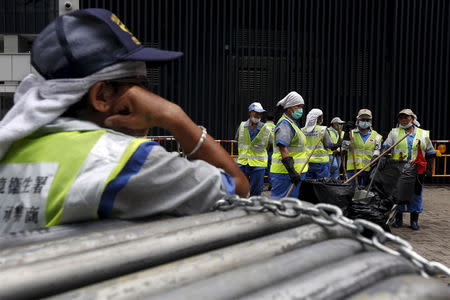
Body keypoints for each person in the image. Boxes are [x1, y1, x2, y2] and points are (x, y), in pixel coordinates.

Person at [0, 9, 249, 234]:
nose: (150, 97)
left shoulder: (12, 147)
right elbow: (237, 188)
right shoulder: (122, 160)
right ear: (101, 96)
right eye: (140, 86)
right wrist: (175, 117)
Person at [384, 109, 436, 230]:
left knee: (416, 194)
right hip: (399, 168)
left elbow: (431, 152)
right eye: (401, 118)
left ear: (412, 119)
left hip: (417, 170)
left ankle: (414, 220)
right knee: (398, 194)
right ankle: (398, 219)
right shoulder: (394, 133)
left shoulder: (423, 134)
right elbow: (386, 146)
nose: (403, 120)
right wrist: (383, 153)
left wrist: (429, 168)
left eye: (406, 117)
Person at [270, 91, 308, 198]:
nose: (300, 109)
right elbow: (283, 148)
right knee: (283, 205)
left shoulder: (293, 123)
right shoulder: (285, 125)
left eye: (302, 107)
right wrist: (292, 171)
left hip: (294, 173)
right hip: (286, 174)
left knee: (292, 206)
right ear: (289, 107)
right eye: (298, 106)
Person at [235, 102, 273, 196]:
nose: (258, 115)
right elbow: (237, 140)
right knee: (239, 189)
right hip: (243, 162)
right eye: (255, 112)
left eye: (260, 113)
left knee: (256, 192)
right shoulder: (242, 126)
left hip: (258, 164)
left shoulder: (266, 128)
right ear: (250, 113)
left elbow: (271, 144)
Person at [343, 109, 382, 186]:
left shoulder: (377, 136)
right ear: (358, 120)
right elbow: (344, 148)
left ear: (370, 121)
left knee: (365, 193)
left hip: (368, 170)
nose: (365, 122)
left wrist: (375, 156)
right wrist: (347, 134)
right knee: (351, 192)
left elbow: (377, 150)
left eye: (367, 120)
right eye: (362, 119)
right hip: (352, 170)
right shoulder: (351, 133)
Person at [302, 109, 337, 180]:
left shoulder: (302, 130)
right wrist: (337, 144)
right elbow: (328, 145)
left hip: (307, 162)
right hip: (321, 163)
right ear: (318, 118)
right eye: (321, 117)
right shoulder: (322, 130)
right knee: (322, 185)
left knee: (308, 184)